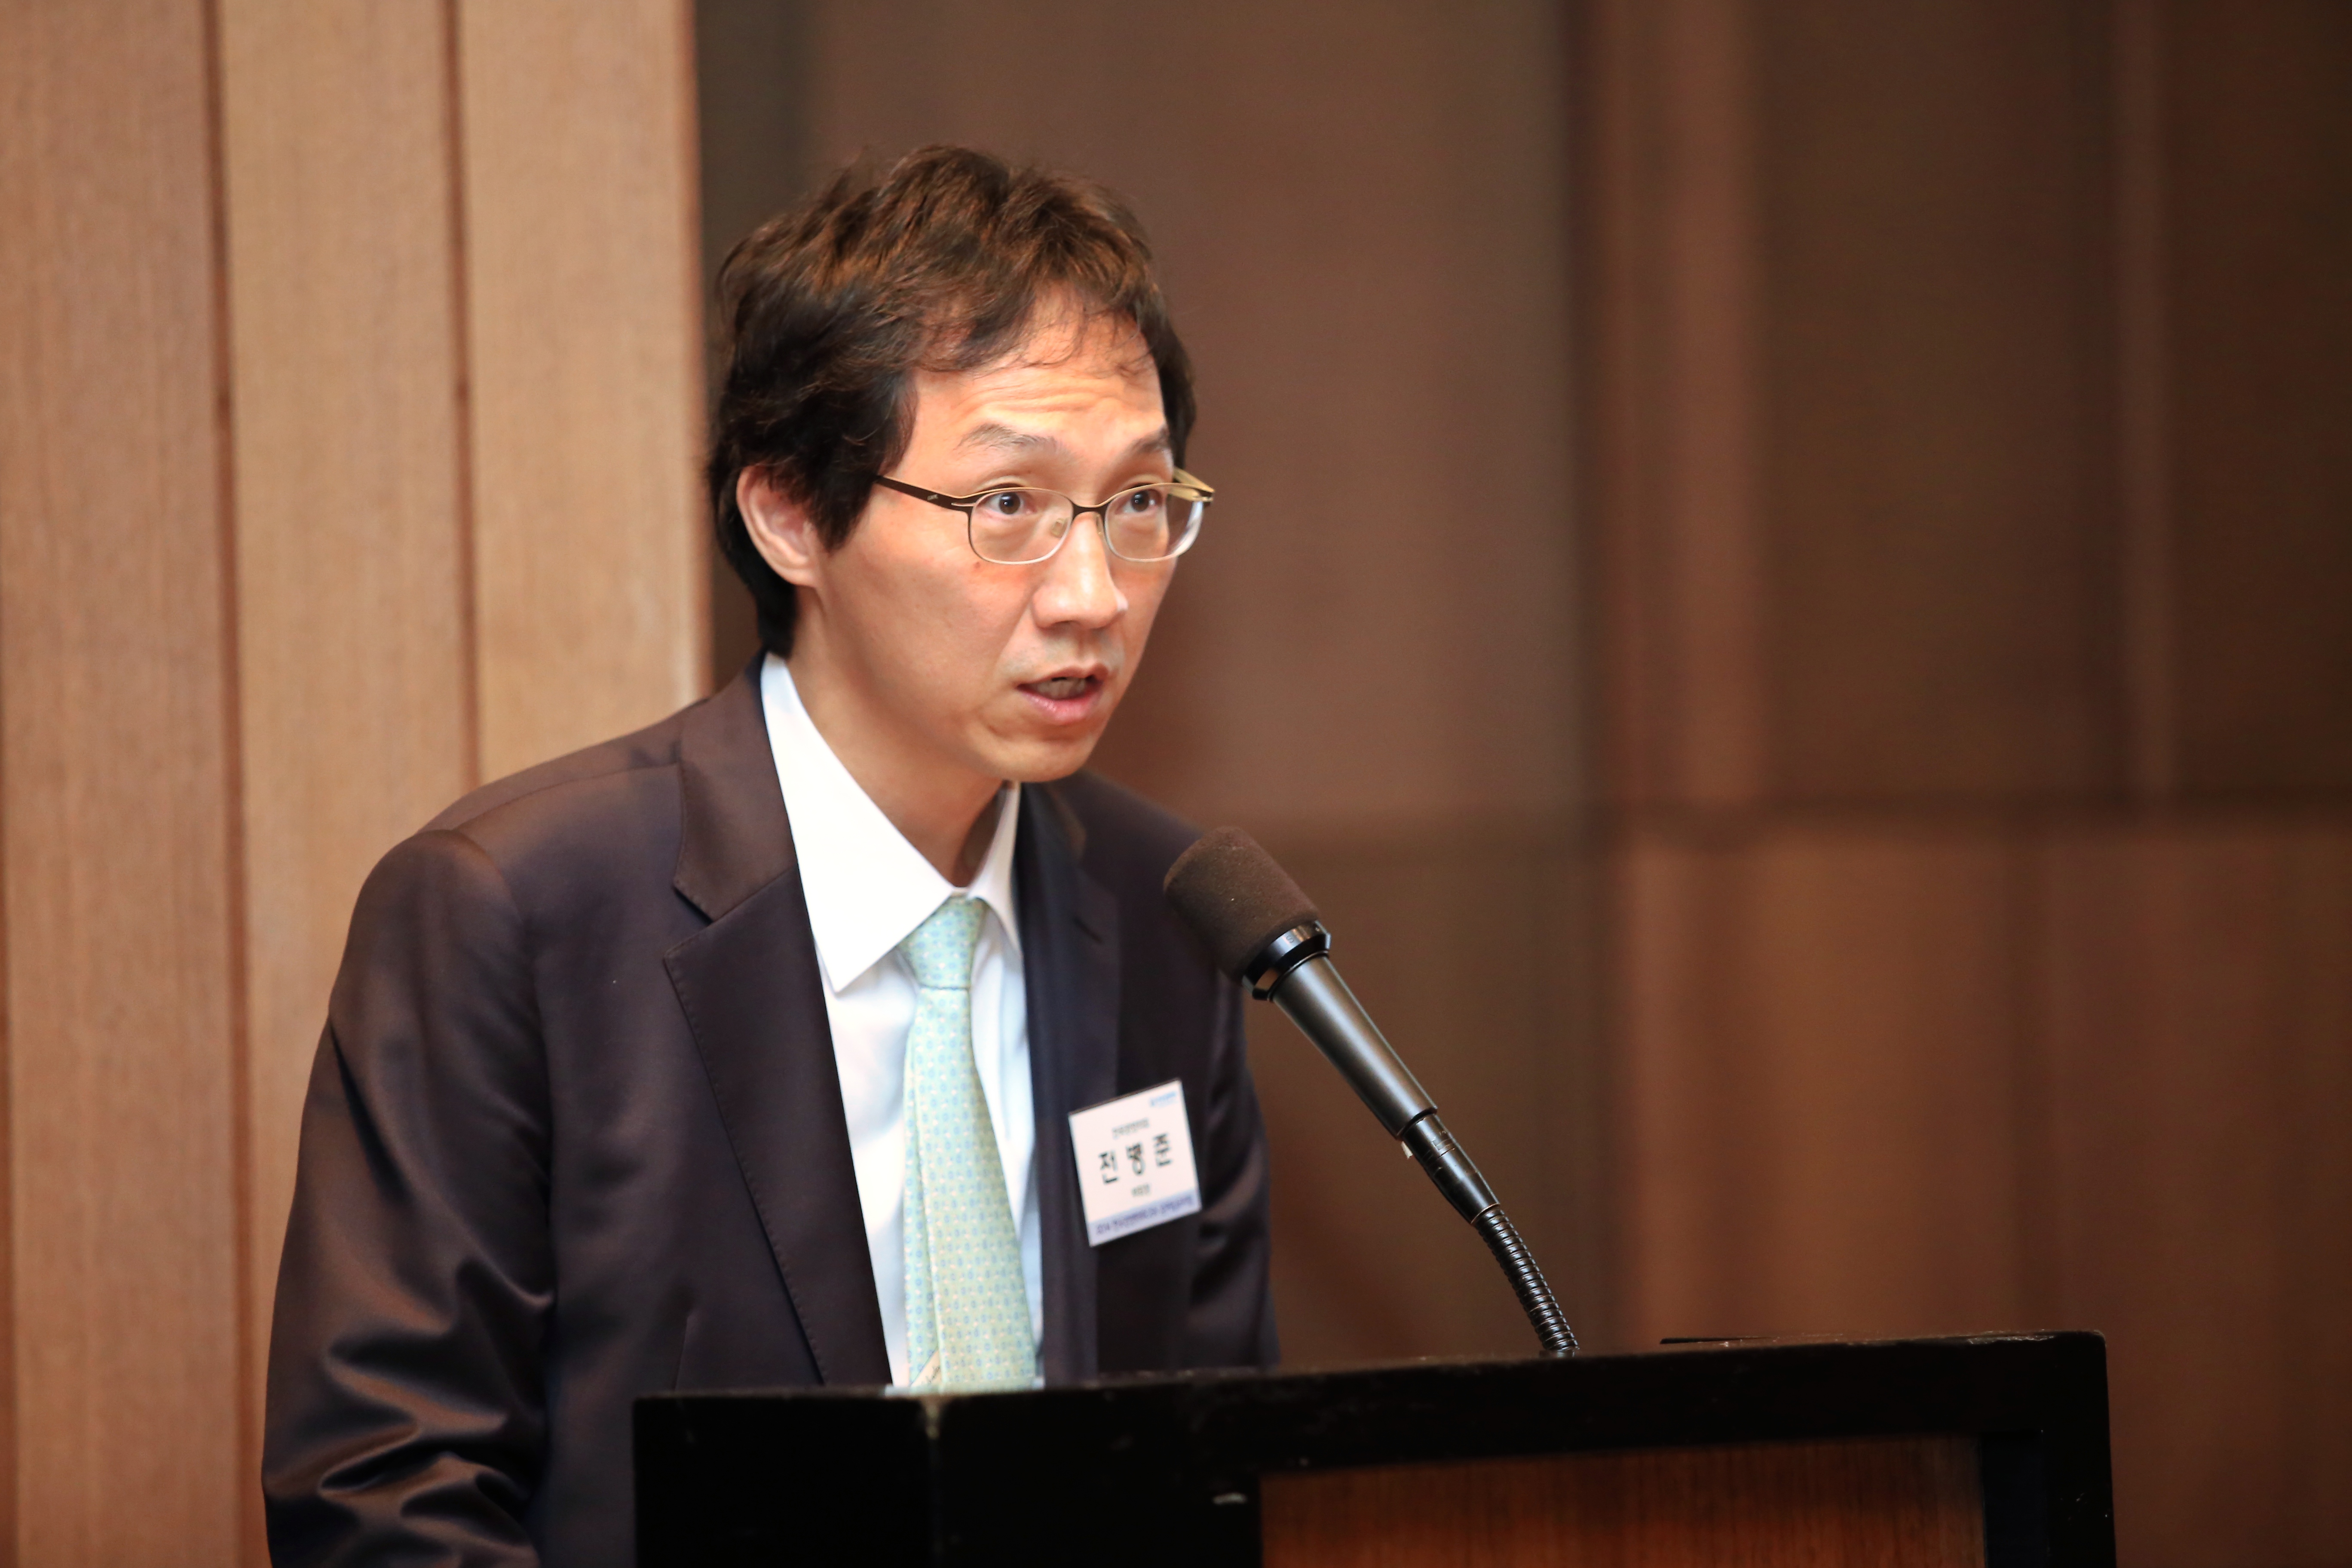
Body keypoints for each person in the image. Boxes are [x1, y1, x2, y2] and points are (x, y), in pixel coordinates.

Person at [262, 145, 1277, 1567]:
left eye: (1141, 503)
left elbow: (1219, 1463)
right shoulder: (514, 913)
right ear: (792, 513)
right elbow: (385, 1491)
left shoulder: (1173, 911)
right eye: (1009, 505)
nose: (1094, 593)